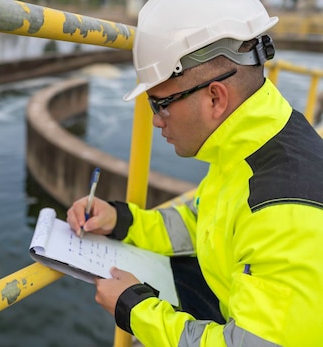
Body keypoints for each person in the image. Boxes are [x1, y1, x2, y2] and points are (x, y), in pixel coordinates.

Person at [66, 0, 323, 346]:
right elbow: (203, 224)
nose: (155, 120)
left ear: (215, 98)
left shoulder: (283, 211)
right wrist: (123, 221)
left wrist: (135, 311)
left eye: (160, 104)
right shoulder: (252, 146)